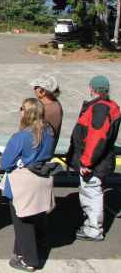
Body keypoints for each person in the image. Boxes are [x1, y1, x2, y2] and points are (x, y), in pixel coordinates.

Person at [0, 98, 55, 272]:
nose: (20, 111)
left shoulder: (21, 136)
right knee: (36, 217)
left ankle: (30, 260)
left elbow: (5, 163)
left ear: (27, 112)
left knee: (23, 223)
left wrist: (18, 161)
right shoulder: (49, 133)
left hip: (21, 185)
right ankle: (20, 251)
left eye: (21, 108)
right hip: (41, 181)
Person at [67, 75, 120, 242]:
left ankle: (93, 230)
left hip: (94, 164)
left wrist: (86, 163)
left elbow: (96, 138)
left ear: (92, 88)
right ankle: (93, 224)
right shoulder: (111, 106)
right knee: (95, 192)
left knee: (91, 194)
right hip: (102, 160)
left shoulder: (99, 109)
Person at [30, 74, 63, 152]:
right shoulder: (55, 103)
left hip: (38, 153)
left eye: (35, 87)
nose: (33, 89)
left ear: (43, 91)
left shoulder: (46, 109)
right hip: (45, 150)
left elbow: (32, 133)